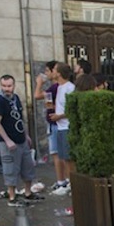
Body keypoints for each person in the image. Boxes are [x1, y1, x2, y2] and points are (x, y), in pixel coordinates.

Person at [0, 74, 38, 207]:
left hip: (21, 139)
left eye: (9, 86)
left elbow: (20, 119)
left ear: (14, 85)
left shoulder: (15, 98)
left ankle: (28, 193)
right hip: (8, 142)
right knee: (10, 168)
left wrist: (26, 135)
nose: (7, 89)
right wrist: (7, 140)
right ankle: (12, 196)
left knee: (28, 167)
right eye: (4, 86)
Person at [49, 62, 76, 195]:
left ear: (59, 73)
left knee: (69, 158)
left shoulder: (70, 88)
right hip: (60, 127)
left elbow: (73, 109)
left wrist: (60, 116)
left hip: (67, 126)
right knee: (64, 156)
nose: (52, 72)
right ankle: (67, 181)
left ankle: (73, 183)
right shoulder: (59, 87)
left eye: (54, 70)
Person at [34, 60, 59, 165]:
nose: (46, 73)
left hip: (56, 123)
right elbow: (49, 104)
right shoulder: (52, 88)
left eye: (48, 70)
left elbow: (36, 96)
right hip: (53, 122)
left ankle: (63, 179)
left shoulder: (56, 87)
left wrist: (39, 84)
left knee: (57, 153)